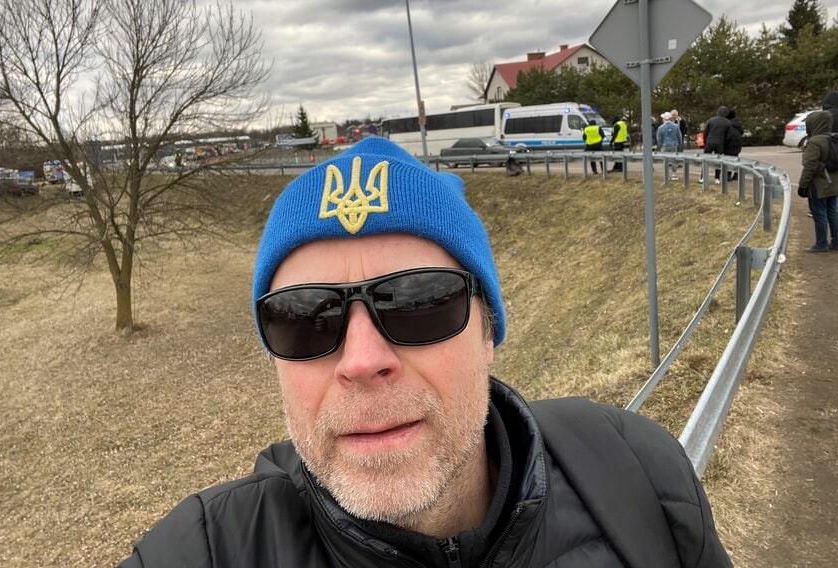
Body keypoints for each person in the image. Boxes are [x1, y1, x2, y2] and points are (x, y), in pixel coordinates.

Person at [118, 137, 732, 568]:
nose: (362, 360)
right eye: (305, 319)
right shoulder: (201, 551)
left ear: (488, 331)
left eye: (418, 302)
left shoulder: (639, 475)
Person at [799, 111, 838, 252]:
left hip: (820, 185)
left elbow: (809, 166)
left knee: (819, 214)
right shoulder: (837, 139)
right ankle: (837, 243)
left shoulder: (814, 142)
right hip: (836, 184)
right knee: (833, 213)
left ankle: (821, 244)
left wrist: (803, 185)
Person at [700, 107, 731, 184]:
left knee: (706, 159)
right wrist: (725, 144)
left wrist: (705, 141)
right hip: (720, 143)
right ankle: (717, 178)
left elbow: (705, 132)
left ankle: (703, 177)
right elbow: (728, 135)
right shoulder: (728, 122)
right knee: (718, 161)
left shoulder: (711, 120)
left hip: (709, 142)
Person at [656, 112, 682, 180]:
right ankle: (674, 174)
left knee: (665, 161)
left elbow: (659, 138)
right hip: (674, 145)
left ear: (664, 119)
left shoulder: (660, 128)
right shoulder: (676, 126)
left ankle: (666, 175)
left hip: (664, 146)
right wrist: (679, 144)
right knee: (674, 160)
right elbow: (679, 136)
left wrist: (660, 146)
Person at [723, 109, 743, 181]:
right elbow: (742, 132)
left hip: (729, 143)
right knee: (735, 158)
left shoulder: (727, 123)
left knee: (728, 159)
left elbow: (726, 133)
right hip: (737, 143)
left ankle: (728, 175)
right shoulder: (738, 123)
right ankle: (736, 174)